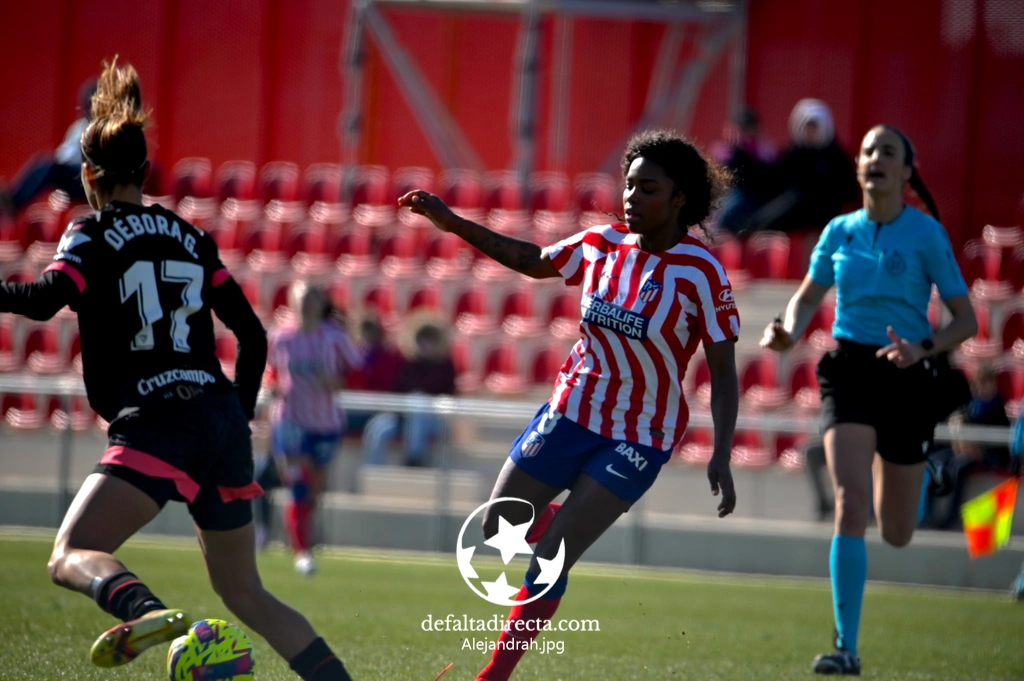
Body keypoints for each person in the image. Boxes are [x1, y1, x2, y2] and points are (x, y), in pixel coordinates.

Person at [0, 58, 354, 680]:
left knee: (71, 553)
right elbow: (250, 333)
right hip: (218, 417)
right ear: (144, 172)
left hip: (157, 419)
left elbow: (43, 300)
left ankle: (148, 609)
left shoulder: (90, 233)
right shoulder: (189, 236)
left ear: (88, 174)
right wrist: (236, 414)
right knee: (247, 594)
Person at [400, 129, 740, 681]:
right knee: (497, 527)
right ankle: (567, 516)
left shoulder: (701, 273)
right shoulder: (602, 245)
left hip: (640, 433)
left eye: (648, 188)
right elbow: (532, 259)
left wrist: (721, 451)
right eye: (629, 185)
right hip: (571, 411)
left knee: (551, 554)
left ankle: (495, 674)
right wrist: (453, 223)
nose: (632, 197)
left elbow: (723, 373)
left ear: (680, 199)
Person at [760, 124, 978, 675]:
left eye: (888, 152)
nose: (875, 159)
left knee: (899, 532)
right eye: (867, 152)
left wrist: (921, 348)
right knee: (850, 503)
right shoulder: (838, 231)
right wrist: (786, 332)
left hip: (908, 374)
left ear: (907, 172)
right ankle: (845, 647)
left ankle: (917, 469)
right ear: (858, 169)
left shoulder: (926, 234)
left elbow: (967, 320)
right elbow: (806, 299)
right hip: (849, 371)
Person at [267, 280, 363, 575]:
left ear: (322, 303)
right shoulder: (280, 337)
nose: (307, 304)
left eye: (312, 298)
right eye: (302, 298)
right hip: (290, 420)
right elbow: (271, 373)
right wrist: (272, 389)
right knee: (297, 482)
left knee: (315, 488)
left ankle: (304, 535)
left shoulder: (334, 337)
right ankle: (302, 552)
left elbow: (359, 372)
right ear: (292, 301)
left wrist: (333, 382)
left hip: (325, 422)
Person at [747, 99, 859, 234]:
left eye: (814, 127)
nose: (810, 132)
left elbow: (850, 192)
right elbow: (775, 183)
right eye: (807, 127)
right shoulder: (793, 154)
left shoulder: (837, 157)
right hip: (795, 211)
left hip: (825, 214)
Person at [922, 364, 1011, 529]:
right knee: (934, 463)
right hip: (964, 450)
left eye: (986, 383)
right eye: (978, 384)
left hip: (990, 454)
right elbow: (956, 425)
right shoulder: (970, 406)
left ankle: (952, 515)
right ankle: (929, 513)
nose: (981, 388)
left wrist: (976, 449)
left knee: (959, 467)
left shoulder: (997, 407)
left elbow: (1000, 441)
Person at [362, 319, 457, 467]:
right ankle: (369, 470)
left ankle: (414, 459)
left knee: (418, 401)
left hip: (433, 419)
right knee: (378, 426)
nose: (425, 344)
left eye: (430, 339)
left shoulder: (446, 366)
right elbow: (398, 392)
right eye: (422, 339)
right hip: (403, 417)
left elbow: (448, 394)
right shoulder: (408, 364)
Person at [0, 79, 97, 215]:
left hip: (91, 181)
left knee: (51, 167)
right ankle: (11, 199)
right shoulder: (79, 127)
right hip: (71, 175)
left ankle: (14, 203)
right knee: (45, 162)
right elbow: (62, 155)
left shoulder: (106, 130)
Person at [711, 107, 777, 234]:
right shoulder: (725, 149)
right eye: (741, 129)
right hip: (729, 196)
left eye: (747, 128)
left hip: (755, 198)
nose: (744, 134)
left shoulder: (763, 150)